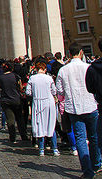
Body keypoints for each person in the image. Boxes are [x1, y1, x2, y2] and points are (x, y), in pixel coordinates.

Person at [57, 43, 100, 178]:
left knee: (80, 139)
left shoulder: (63, 70)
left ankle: (87, 172)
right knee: (94, 137)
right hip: (91, 106)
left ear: (69, 54)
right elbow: (93, 87)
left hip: (74, 109)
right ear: (81, 52)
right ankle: (96, 164)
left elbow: (60, 91)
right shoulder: (88, 67)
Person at [26, 62, 58, 156]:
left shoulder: (32, 78)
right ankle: (55, 149)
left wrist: (35, 93)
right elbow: (54, 91)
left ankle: (41, 149)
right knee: (51, 124)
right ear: (44, 69)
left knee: (39, 125)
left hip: (37, 102)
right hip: (48, 102)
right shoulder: (49, 78)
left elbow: (28, 92)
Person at [0, 62, 28, 143]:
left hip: (6, 100)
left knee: (10, 120)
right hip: (16, 99)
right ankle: (24, 136)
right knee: (20, 119)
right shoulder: (16, 76)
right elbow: (21, 88)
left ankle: (12, 137)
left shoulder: (1, 77)